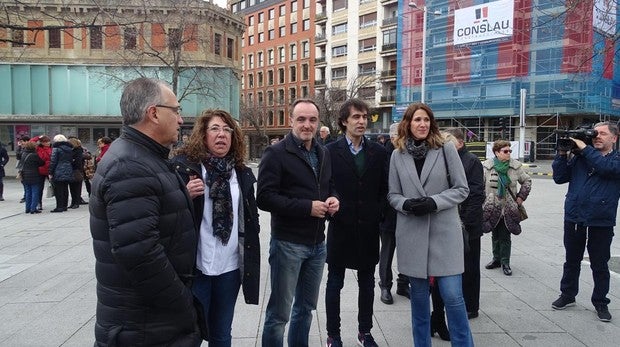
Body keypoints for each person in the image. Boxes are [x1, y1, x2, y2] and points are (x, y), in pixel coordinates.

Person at [90, 77, 201, 346]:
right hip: (144, 325)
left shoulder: (147, 157)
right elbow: (139, 253)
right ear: (153, 113)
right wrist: (184, 303)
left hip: (151, 320)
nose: (180, 119)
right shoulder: (130, 165)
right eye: (176, 110)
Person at [387, 102, 473, 346]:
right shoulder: (397, 154)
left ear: (431, 122)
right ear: (408, 123)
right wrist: (407, 205)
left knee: (453, 298)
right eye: (417, 120)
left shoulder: (445, 148)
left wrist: (433, 202)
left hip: (444, 234)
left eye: (426, 119)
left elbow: (462, 189)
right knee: (419, 304)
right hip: (412, 235)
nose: (422, 124)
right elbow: (393, 194)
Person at [172, 109, 261, 346]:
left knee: (221, 334)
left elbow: (251, 217)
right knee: (190, 334)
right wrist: (184, 196)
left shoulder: (241, 173)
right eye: (215, 129)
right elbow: (166, 214)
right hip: (196, 267)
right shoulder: (183, 168)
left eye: (227, 129)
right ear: (202, 134)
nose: (221, 134)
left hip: (229, 268)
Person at [257, 98, 340, 347]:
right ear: (291, 120)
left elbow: (329, 185)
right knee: (279, 314)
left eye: (312, 119)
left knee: (305, 309)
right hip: (288, 244)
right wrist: (307, 208)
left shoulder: (323, 152)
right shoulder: (276, 153)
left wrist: (334, 198)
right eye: (301, 119)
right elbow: (264, 198)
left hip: (317, 244)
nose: (307, 125)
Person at [324, 99, 388, 347]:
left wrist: (377, 212)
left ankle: (365, 331)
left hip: (369, 229)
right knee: (334, 283)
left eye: (365, 117)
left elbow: (384, 188)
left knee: (367, 284)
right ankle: (334, 334)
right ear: (344, 122)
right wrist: (333, 206)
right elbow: (326, 185)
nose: (362, 121)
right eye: (356, 117)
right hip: (341, 228)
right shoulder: (330, 151)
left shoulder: (379, 152)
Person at [551, 121, 620, 322]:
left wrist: (585, 149)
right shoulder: (581, 157)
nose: (597, 136)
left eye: (602, 134)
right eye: (594, 133)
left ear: (614, 138)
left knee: (599, 264)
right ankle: (567, 294)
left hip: (601, 220)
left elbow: (606, 168)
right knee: (571, 260)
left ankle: (600, 301)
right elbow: (560, 177)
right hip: (574, 216)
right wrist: (562, 154)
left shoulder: (615, 159)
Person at [444, 128, 485, 319]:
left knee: (470, 267)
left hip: (468, 223)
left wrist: (467, 222)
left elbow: (476, 194)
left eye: (448, 140)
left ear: (460, 142)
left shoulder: (471, 161)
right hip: (452, 222)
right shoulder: (447, 160)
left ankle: (471, 306)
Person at [482, 140, 532, 276]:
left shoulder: (515, 167)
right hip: (492, 207)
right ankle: (496, 259)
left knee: (505, 235)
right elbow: (480, 185)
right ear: (497, 153)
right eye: (505, 151)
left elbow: (527, 181)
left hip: (508, 207)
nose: (508, 153)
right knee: (495, 234)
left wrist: (521, 197)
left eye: (510, 151)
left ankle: (505, 262)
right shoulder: (487, 167)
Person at [379, 123, 410, 304]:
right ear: (392, 138)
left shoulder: (408, 154)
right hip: (388, 213)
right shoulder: (384, 155)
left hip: (407, 212)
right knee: (387, 251)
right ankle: (385, 286)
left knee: (406, 251)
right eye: (401, 136)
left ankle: (403, 284)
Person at [48, 134, 74, 213]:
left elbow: (53, 161)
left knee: (58, 189)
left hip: (58, 170)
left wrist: (50, 172)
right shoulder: (70, 148)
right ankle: (64, 206)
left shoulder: (56, 149)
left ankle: (59, 206)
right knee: (65, 188)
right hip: (68, 169)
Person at [19, 141, 44, 214]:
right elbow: (41, 163)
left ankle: (27, 208)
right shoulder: (34, 155)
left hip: (25, 175)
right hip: (34, 175)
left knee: (28, 192)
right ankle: (33, 208)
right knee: (35, 191)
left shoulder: (23, 154)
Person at [67, 137, 86, 209]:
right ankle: (73, 202)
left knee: (77, 187)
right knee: (72, 187)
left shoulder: (78, 150)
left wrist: (72, 161)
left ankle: (76, 202)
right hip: (73, 170)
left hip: (77, 170)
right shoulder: (72, 150)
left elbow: (78, 161)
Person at [35, 135, 52, 210]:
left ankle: (60, 203)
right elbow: (31, 141)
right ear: (41, 142)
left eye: (48, 141)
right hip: (40, 169)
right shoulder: (38, 148)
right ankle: (39, 203)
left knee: (56, 186)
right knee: (39, 187)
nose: (47, 143)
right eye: (45, 142)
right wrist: (39, 137)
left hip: (50, 169)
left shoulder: (52, 148)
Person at [15, 135, 30, 203]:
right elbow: (18, 157)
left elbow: (20, 156)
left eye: (22, 142)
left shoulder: (27, 149)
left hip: (26, 168)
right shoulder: (22, 148)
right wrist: (19, 147)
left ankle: (27, 196)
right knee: (24, 182)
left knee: (26, 183)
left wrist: (19, 148)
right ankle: (26, 195)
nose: (21, 143)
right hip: (22, 168)